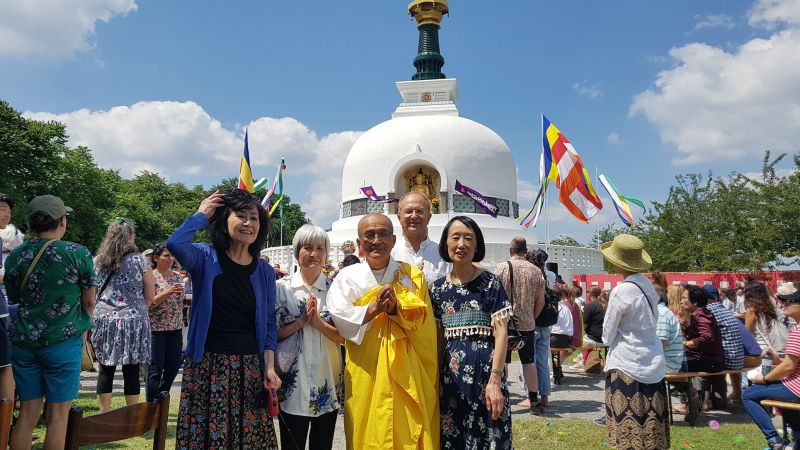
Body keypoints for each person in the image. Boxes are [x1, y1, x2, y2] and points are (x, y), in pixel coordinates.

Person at [167, 189, 280, 449]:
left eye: (254, 218)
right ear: (224, 220)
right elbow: (175, 243)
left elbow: (269, 325)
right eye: (240, 216)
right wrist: (200, 215)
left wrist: (270, 367)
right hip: (207, 366)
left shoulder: (264, 271)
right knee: (207, 439)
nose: (248, 223)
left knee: (248, 440)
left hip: (250, 368)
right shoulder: (204, 257)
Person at [327, 213, 438, 449]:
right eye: (369, 235)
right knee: (366, 430)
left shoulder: (412, 277)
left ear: (394, 240)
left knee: (407, 430)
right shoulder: (347, 278)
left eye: (383, 234)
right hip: (365, 368)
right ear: (359, 243)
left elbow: (425, 327)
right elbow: (340, 318)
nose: (376, 240)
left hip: (407, 371)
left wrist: (396, 311)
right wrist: (373, 310)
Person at [5, 195, 97, 450]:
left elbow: (14, 298)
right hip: (63, 342)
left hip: (24, 343)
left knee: (27, 415)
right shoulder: (77, 253)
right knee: (58, 418)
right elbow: (90, 302)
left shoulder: (16, 256)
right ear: (61, 221)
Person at [429, 216, 511, 449]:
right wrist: (435, 382)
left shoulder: (490, 283)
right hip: (451, 383)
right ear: (446, 243)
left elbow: (501, 333)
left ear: (477, 245)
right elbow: (438, 339)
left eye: (468, 238)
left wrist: (495, 379)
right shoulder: (437, 290)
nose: (461, 244)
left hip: (487, 379)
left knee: (491, 439)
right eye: (455, 237)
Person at [274, 225, 343, 450]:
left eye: (319, 248)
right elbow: (272, 335)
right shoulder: (281, 289)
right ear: (297, 252)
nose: (313, 253)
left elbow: (346, 338)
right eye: (307, 247)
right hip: (293, 388)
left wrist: (317, 324)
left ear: (326, 253)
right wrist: (301, 323)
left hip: (327, 383)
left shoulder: (337, 289)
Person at [600, 234, 668, 450]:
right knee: (651, 420)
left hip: (626, 360)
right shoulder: (648, 286)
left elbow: (608, 332)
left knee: (626, 425)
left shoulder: (622, 290)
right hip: (651, 356)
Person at [91, 218, 154, 413]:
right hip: (134, 320)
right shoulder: (141, 261)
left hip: (105, 320)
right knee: (131, 369)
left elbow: (91, 293)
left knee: (106, 369)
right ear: (131, 237)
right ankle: (131, 416)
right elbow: (150, 296)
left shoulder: (98, 260)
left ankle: (104, 415)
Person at [743, 289, 800, 450]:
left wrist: (765, 379)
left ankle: (774, 440)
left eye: (790, 301)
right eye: (783, 301)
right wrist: (778, 360)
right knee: (779, 397)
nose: (784, 304)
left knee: (748, 394)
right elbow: (791, 363)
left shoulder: (797, 331)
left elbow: (789, 367)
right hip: (795, 385)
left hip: (796, 388)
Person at [494, 237, 544, 414]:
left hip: (504, 322)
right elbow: (540, 301)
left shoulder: (501, 268)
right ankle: (533, 400)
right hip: (527, 323)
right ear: (525, 250)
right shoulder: (536, 271)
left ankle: (502, 395)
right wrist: (532, 317)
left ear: (510, 250)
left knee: (502, 361)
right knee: (528, 361)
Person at [145, 243, 184, 402]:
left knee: (173, 366)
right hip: (156, 329)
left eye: (172, 255)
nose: (171, 259)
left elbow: (180, 299)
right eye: (166, 256)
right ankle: (151, 406)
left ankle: (161, 398)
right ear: (156, 258)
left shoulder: (176, 276)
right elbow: (150, 302)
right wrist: (168, 291)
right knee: (155, 369)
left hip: (175, 327)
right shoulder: (150, 276)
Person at [681, 284, 725, 409]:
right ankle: (693, 397)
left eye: (684, 298)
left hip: (710, 361)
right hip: (711, 359)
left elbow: (707, 337)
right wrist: (686, 328)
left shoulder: (700, 314)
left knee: (675, 367)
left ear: (695, 301)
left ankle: (693, 397)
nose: (681, 301)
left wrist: (687, 344)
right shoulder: (701, 313)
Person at [391, 191, 451, 283]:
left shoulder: (443, 255)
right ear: (399, 218)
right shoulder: (390, 254)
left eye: (419, 211)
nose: (414, 216)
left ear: (429, 217)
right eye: (409, 211)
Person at [703, 284, 744, 408]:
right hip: (737, 359)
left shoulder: (709, 312)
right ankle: (718, 400)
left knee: (696, 361)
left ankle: (703, 401)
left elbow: (705, 339)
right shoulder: (725, 309)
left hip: (726, 360)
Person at [528, 249, 553, 408]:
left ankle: (533, 396)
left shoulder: (533, 275)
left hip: (535, 320)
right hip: (546, 322)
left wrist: (532, 317)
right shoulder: (549, 276)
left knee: (531, 361)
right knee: (543, 361)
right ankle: (545, 396)